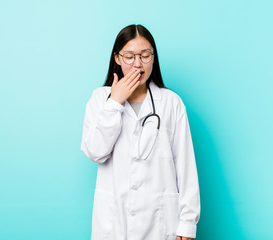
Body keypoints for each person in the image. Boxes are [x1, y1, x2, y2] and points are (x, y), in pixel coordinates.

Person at [81, 24, 200, 240]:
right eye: (129, 56)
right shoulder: (101, 99)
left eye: (145, 55)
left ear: (153, 58)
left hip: (160, 223)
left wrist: (187, 223)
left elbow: (185, 165)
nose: (138, 63)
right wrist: (115, 103)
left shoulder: (171, 103)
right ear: (117, 58)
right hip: (113, 222)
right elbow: (95, 152)